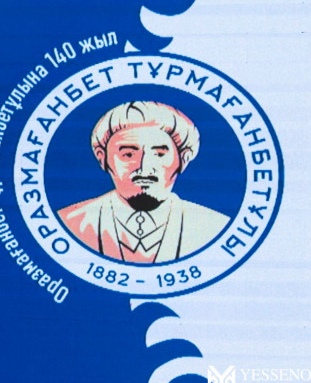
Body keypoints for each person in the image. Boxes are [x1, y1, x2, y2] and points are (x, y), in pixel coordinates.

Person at [58, 101, 228, 263]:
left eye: (159, 154)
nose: (144, 168)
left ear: (183, 159)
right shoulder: (69, 223)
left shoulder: (214, 228)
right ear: (103, 159)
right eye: (128, 155)